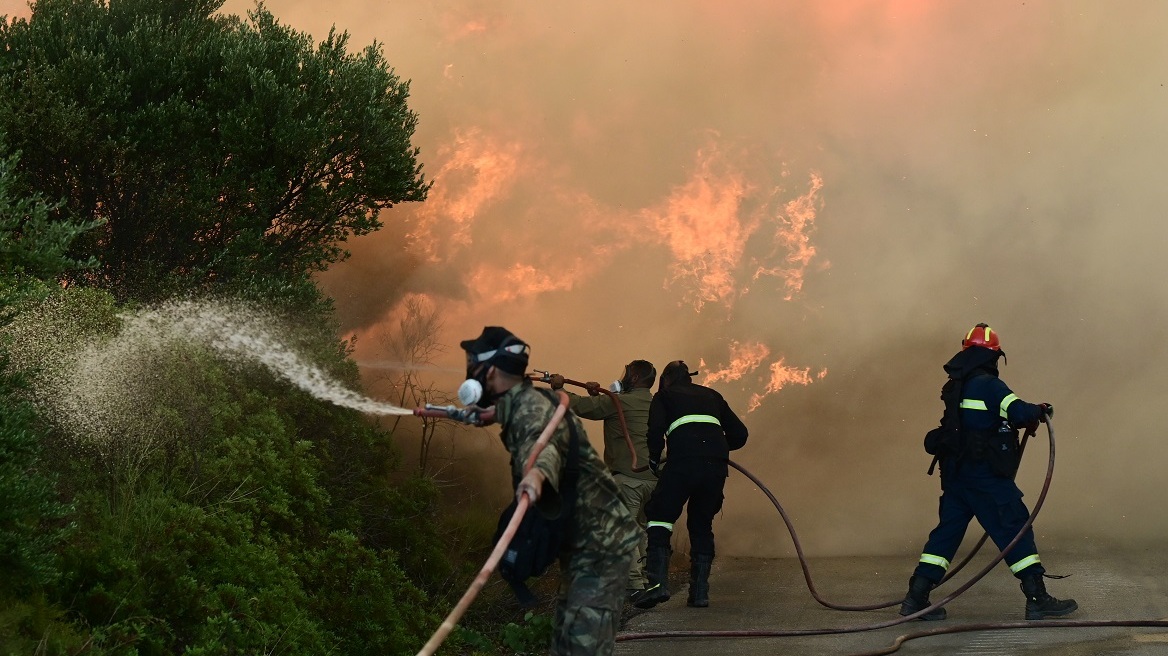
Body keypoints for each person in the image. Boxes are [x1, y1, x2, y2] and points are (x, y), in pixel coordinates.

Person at [459, 327, 639, 655]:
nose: (468, 372)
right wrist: (490, 412)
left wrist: (536, 476)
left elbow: (545, 445)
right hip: (583, 540)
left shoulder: (532, 410)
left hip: (601, 544)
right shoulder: (525, 401)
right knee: (565, 641)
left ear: (492, 371)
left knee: (582, 647)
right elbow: (530, 416)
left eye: (472, 365)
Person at [900, 323, 1078, 621]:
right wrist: (1040, 409)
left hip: (957, 476)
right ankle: (1037, 598)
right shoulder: (989, 385)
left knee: (946, 535)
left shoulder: (956, 384)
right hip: (985, 478)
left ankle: (916, 597)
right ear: (993, 356)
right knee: (1015, 526)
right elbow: (1018, 411)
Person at [634, 360, 748, 609]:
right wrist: (712, 447)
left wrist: (654, 459)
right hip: (715, 467)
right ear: (689, 378)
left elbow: (655, 431)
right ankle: (699, 594)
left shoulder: (664, 396)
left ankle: (657, 586)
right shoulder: (713, 395)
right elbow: (740, 435)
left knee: (660, 516)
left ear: (665, 380)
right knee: (701, 523)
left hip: (682, 464)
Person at [549, 361, 658, 598]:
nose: (624, 377)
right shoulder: (655, 403)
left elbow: (576, 405)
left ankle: (635, 587)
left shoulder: (617, 401)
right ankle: (650, 580)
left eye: (628, 374)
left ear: (637, 376)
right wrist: (600, 394)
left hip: (629, 479)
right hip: (655, 479)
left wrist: (558, 387)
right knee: (643, 530)